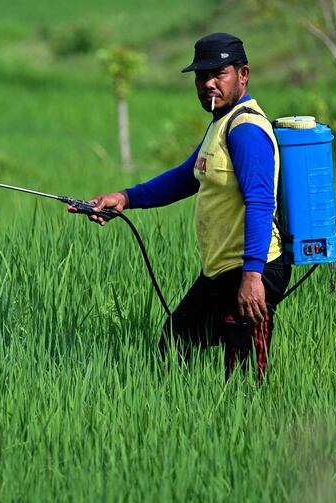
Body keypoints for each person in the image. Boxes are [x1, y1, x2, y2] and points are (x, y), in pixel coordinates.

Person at [70, 33, 292, 381]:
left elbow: (261, 203)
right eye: (202, 76)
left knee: (243, 376)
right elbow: (187, 177)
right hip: (222, 270)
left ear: (243, 74)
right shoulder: (221, 123)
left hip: (254, 269)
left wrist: (252, 277)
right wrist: (126, 198)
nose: (209, 84)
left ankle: (252, 427)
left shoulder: (246, 130)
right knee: (175, 347)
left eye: (219, 74)